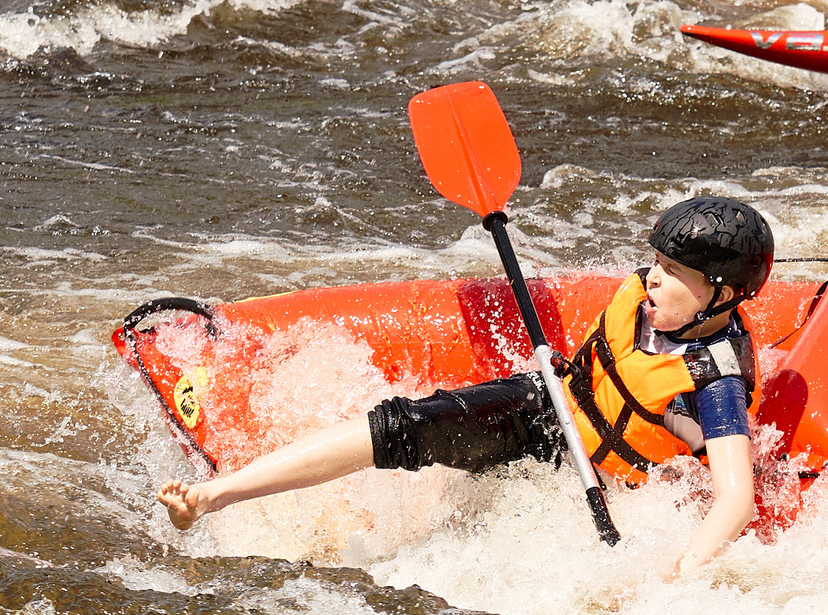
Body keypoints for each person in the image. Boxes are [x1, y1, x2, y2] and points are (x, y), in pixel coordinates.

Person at [158, 197, 775, 578]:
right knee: (403, 425)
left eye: (675, 276)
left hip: (607, 471)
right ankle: (215, 496)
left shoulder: (712, 379)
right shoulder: (651, 296)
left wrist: (677, 574)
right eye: (658, 266)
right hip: (550, 407)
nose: (653, 283)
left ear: (722, 295)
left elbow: (735, 498)